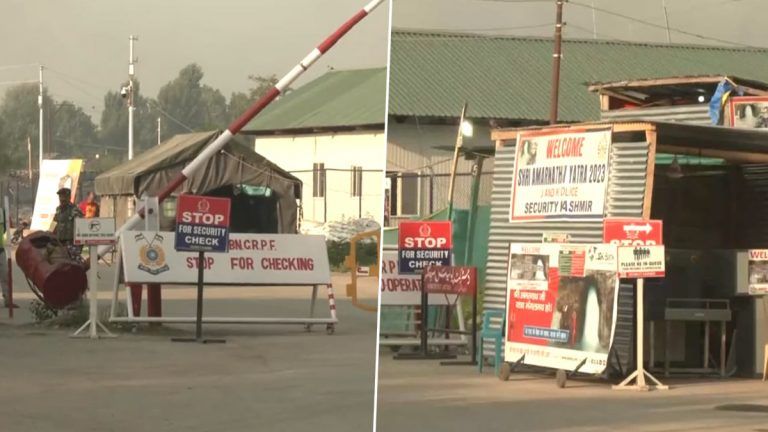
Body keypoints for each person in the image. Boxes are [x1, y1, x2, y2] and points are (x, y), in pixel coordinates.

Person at [53, 187, 84, 257]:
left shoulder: (75, 210)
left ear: (68, 197)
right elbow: (55, 224)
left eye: (64, 197)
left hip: (71, 242)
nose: (61, 199)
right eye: (60, 197)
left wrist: (79, 245)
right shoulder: (58, 210)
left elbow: (81, 228)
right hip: (60, 242)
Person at [0, 210, 18, 308]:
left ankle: (7, 300)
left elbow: (5, 229)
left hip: (1, 250)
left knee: (5, 275)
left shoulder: (2, 213)